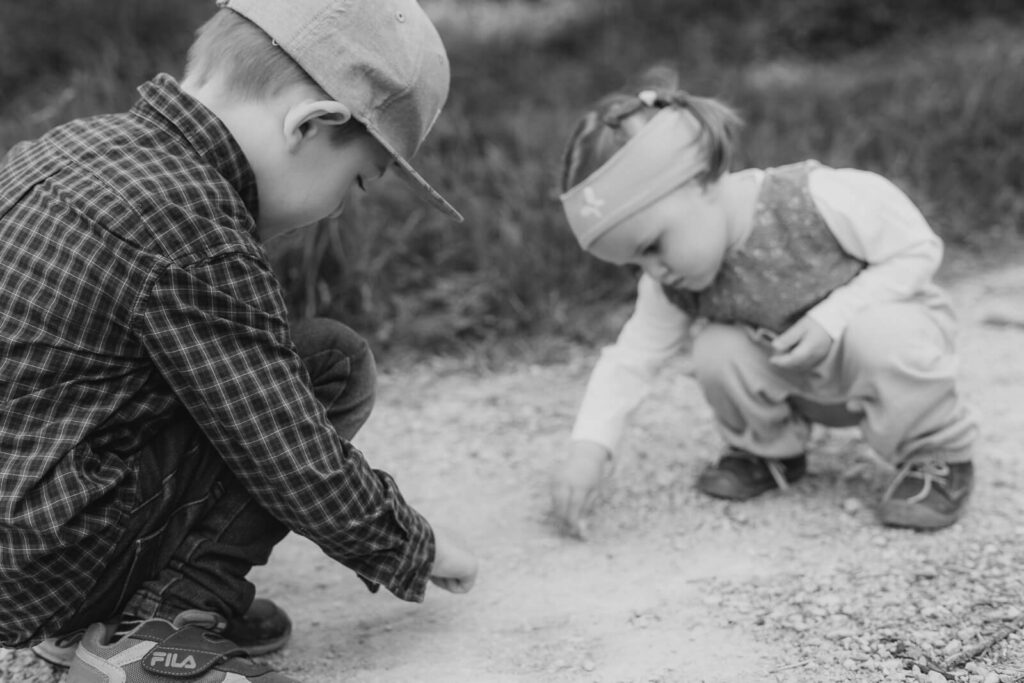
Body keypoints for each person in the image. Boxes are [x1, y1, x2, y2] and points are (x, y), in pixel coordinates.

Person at [0, 0, 478, 680]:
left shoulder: (65, 148)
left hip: (20, 527)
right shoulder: (191, 229)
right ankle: (156, 627)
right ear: (313, 125)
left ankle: (92, 618)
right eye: (355, 181)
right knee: (325, 365)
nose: (338, 208)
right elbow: (288, 450)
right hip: (46, 561)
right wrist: (413, 545)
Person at [551, 77, 978, 540]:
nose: (653, 272)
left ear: (703, 180)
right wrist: (590, 448)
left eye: (653, 246)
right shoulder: (672, 282)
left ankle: (936, 454)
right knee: (717, 348)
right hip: (799, 380)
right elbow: (632, 360)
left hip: (884, 357)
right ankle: (771, 451)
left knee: (882, 334)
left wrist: (833, 316)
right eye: (633, 264)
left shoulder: (817, 198)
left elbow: (918, 250)